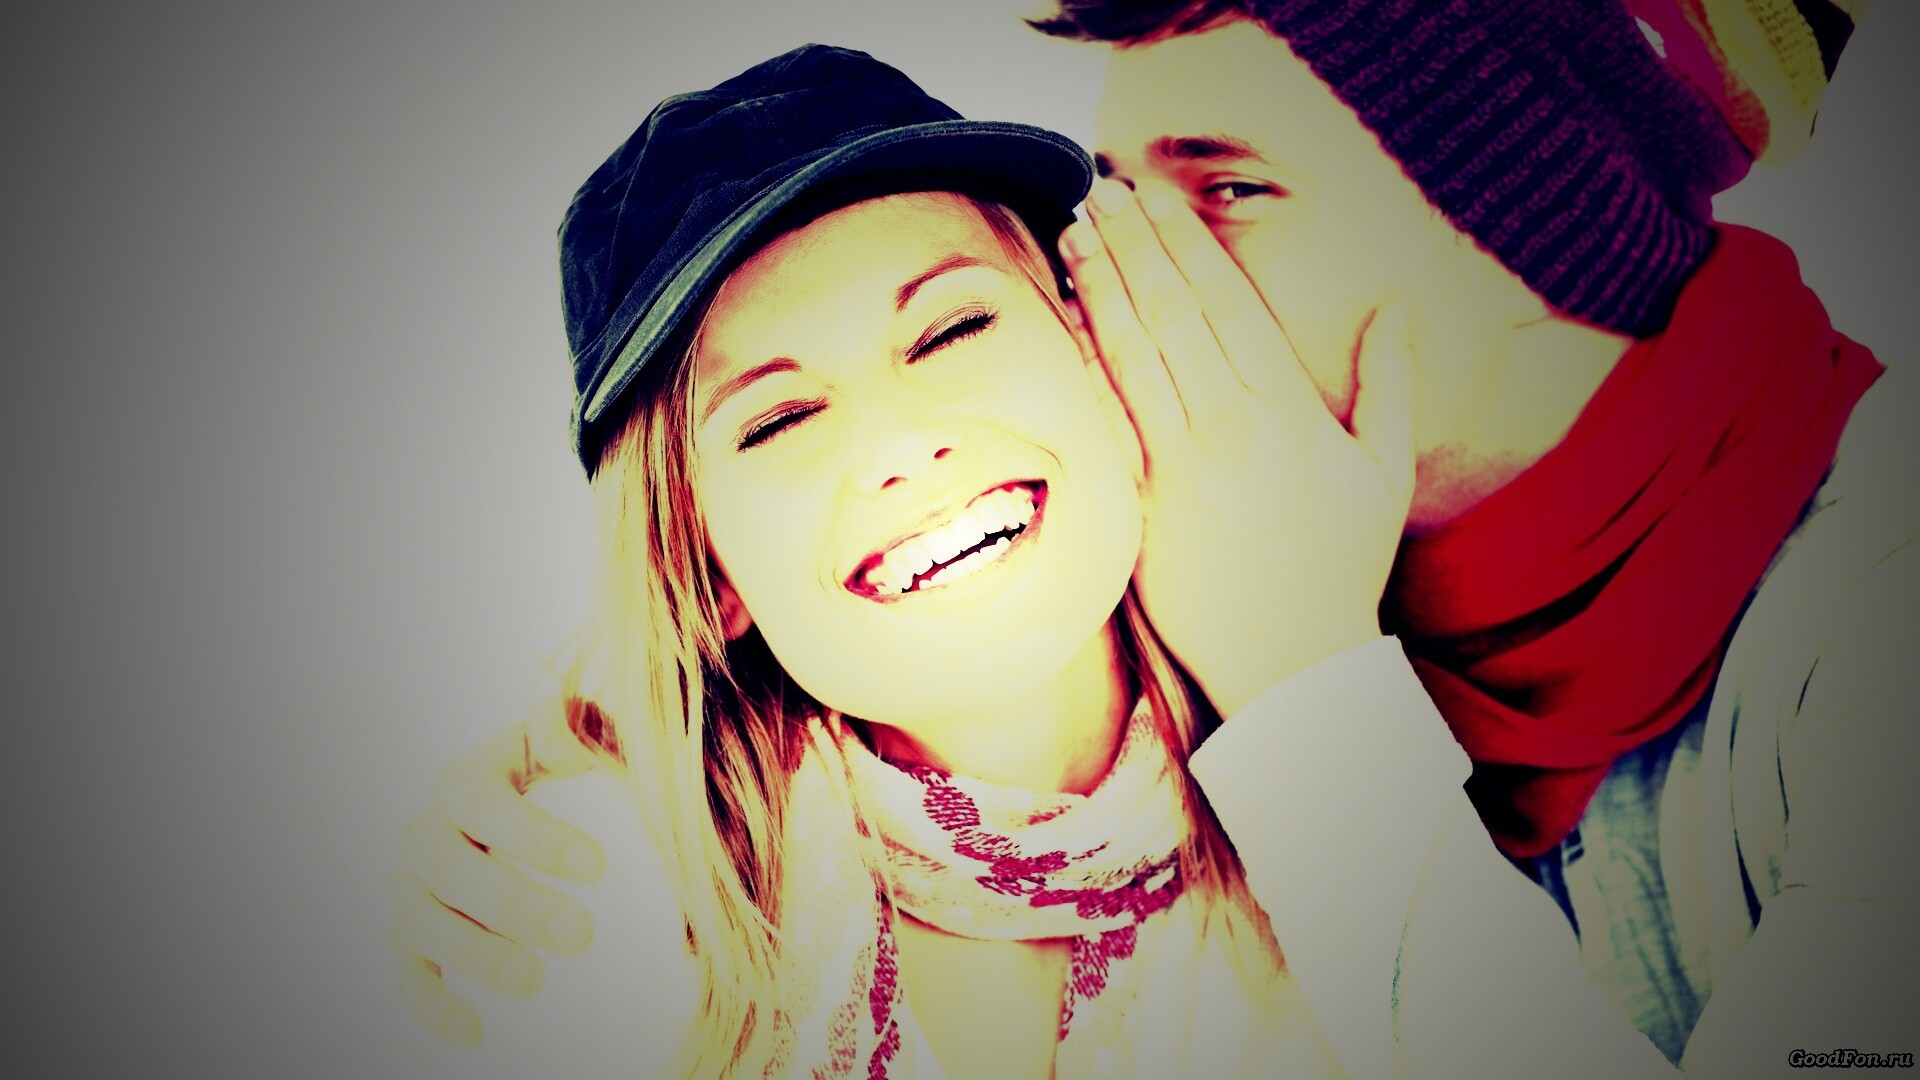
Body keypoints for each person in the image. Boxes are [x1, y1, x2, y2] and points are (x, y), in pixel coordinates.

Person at [395, 2, 1920, 1075]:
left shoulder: (1870, 617)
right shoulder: (1258, 528)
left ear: (1529, 225)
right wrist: (588, 760)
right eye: (1116, 204)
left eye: (1231, 191)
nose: (1119, 273)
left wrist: (1306, 692)